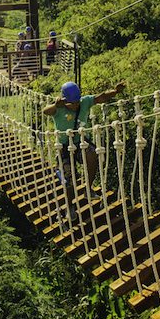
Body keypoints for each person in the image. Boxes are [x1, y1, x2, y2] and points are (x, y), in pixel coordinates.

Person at [43, 80, 126, 221]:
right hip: (63, 147)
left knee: (94, 154)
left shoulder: (84, 102)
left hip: (81, 142)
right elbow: (45, 111)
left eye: (76, 102)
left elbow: (102, 97)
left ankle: (88, 189)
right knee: (69, 178)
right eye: (71, 103)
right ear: (64, 100)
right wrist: (56, 105)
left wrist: (115, 91)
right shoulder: (59, 107)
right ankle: (69, 206)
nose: (75, 106)